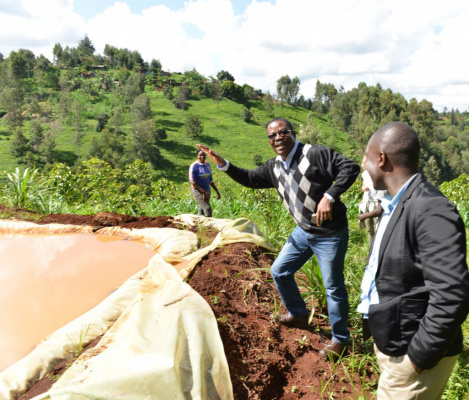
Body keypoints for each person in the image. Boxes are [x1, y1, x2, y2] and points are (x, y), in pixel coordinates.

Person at [197, 117, 360, 359]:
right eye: (272, 136)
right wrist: (223, 164)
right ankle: (298, 313)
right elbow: (250, 179)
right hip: (304, 231)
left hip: (330, 234)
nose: (277, 138)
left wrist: (330, 196)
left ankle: (340, 340)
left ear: (292, 133)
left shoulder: (315, 154)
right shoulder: (274, 167)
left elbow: (351, 167)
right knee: (280, 271)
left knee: (333, 287)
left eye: (282, 133)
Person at [357, 121, 469, 399]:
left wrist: (418, 358)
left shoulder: (430, 208)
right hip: (397, 339)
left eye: (366, 158)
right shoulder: (398, 203)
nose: (363, 166)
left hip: (412, 354)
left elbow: (452, 295)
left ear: (381, 159)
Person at [358, 157, 386, 244]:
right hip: (367, 202)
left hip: (376, 202)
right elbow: (363, 187)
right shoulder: (365, 174)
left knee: (378, 228)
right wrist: (365, 187)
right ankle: (371, 250)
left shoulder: (379, 173)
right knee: (370, 230)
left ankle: (378, 251)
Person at [188, 149, 221, 217]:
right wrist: (203, 192)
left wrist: (217, 191)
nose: (202, 157)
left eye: (203, 155)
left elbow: (210, 180)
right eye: (200, 155)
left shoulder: (207, 164)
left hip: (207, 189)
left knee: (202, 210)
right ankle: (208, 226)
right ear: (197, 156)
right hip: (197, 190)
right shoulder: (194, 166)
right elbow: (192, 182)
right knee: (207, 209)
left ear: (206, 156)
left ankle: (198, 225)